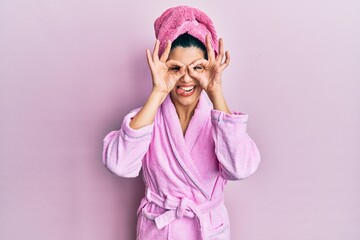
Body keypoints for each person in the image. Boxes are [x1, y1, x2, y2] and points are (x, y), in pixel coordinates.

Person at [102, 5, 261, 240]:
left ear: (211, 67)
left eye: (198, 67)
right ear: (161, 67)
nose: (186, 78)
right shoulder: (147, 120)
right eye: (175, 68)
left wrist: (215, 91)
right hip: (160, 230)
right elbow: (119, 164)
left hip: (207, 230)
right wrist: (158, 92)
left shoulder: (221, 122)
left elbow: (239, 169)